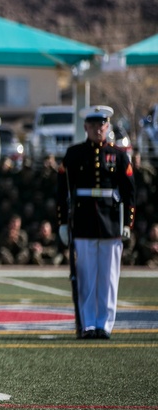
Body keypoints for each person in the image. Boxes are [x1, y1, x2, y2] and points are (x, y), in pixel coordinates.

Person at [56, 105, 135, 339]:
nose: (97, 129)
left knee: (109, 277)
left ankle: (105, 324)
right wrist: (62, 223)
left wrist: (127, 223)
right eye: (93, 125)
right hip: (83, 222)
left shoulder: (119, 156)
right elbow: (63, 191)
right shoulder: (74, 154)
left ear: (107, 126)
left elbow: (129, 192)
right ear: (85, 127)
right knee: (86, 277)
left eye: (101, 124)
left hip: (110, 222)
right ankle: (88, 323)